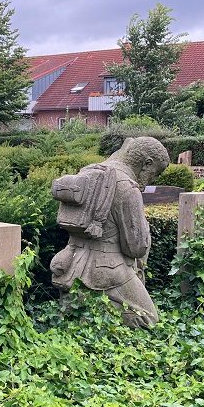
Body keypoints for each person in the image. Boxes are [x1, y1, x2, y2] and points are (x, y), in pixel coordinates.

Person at [50, 137, 169, 327]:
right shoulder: (127, 187)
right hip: (107, 271)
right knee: (148, 318)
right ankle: (97, 314)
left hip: (70, 262)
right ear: (147, 163)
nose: (150, 181)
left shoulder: (89, 171)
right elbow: (136, 248)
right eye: (154, 174)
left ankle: (84, 311)